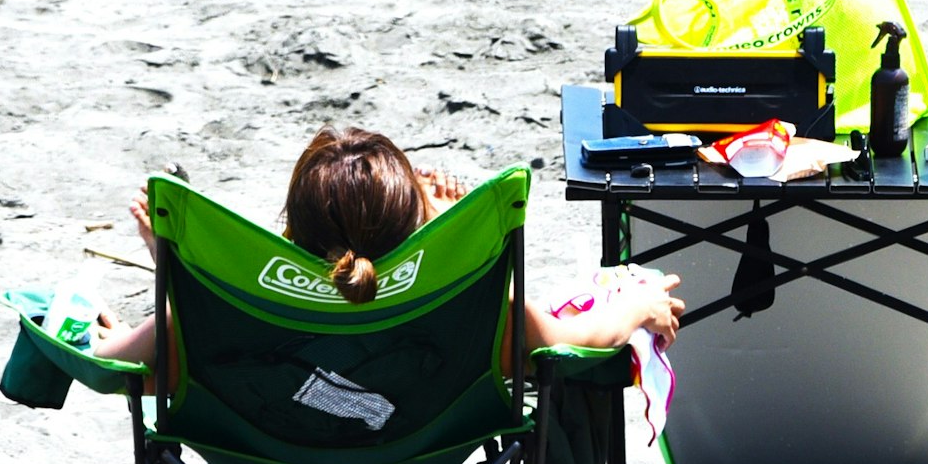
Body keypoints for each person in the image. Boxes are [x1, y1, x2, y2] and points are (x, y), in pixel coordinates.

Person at [85, 125, 685, 364]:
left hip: (277, 461)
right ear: (413, 228)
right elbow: (581, 342)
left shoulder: (230, 304)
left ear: (292, 228)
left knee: (198, 312)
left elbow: (110, 362)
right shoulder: (474, 304)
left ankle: (179, 264)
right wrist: (640, 305)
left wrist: (175, 271)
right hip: (423, 453)